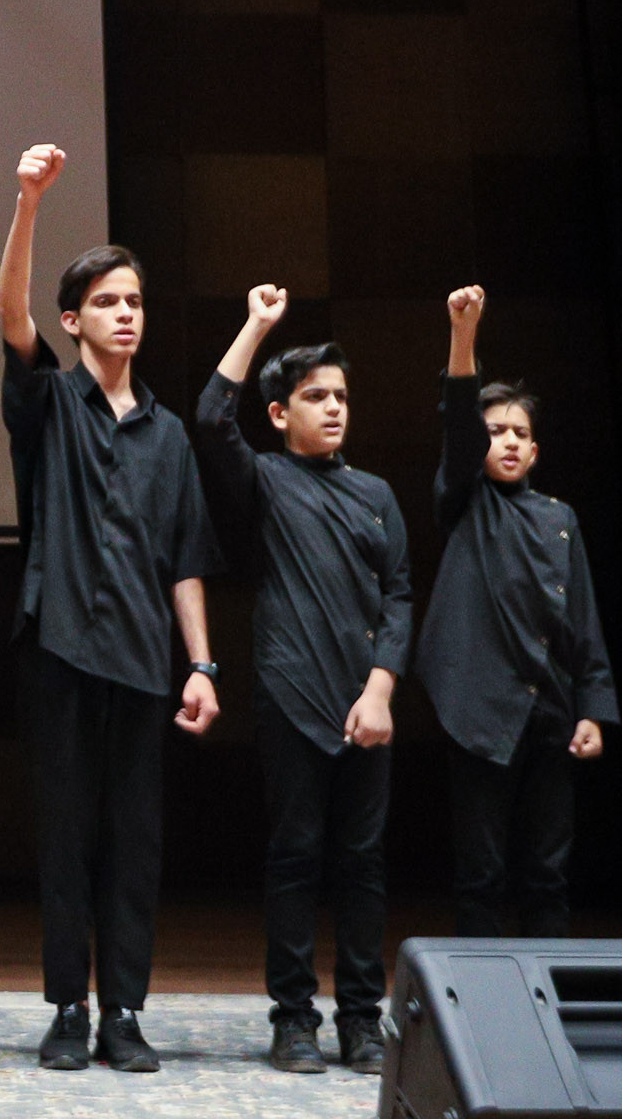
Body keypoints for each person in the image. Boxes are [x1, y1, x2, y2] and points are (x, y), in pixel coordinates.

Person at [0, 146, 221, 1074]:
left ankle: (123, 1010)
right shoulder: (49, 401)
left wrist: (201, 665)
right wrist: (28, 202)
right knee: (66, 840)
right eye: (107, 301)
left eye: (134, 301)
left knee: (135, 843)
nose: (126, 313)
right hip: (59, 651)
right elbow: (9, 312)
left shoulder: (169, 436)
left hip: (140, 660)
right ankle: (68, 1008)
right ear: (73, 319)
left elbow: (185, 560)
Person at [191, 282, 411, 1075]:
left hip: (366, 707)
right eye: (316, 397)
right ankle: (293, 1021)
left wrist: (381, 690)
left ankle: (361, 1021)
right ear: (280, 414)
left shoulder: (376, 494)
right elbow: (211, 418)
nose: (334, 408)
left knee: (363, 865)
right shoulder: (265, 480)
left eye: (341, 396)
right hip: (291, 695)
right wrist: (256, 326)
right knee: (294, 858)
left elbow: (399, 597)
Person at [420, 286, 618, 937]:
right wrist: (464, 334)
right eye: (496, 431)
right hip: (479, 708)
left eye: (520, 434)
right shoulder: (465, 499)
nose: (507, 442)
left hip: (550, 709)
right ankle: (480, 993)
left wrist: (592, 708)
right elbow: (457, 420)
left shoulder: (560, 518)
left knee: (548, 872)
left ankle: (547, 990)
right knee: (481, 872)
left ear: (535, 451)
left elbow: (583, 621)